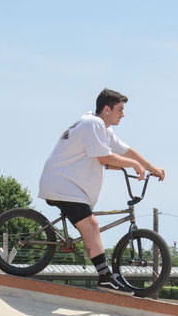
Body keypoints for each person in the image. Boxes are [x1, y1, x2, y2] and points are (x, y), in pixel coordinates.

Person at [37, 88, 165, 293]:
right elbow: (104, 158)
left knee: (90, 228)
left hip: (68, 186)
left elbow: (126, 151)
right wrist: (133, 164)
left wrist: (151, 168)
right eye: (120, 109)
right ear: (107, 109)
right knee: (92, 226)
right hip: (63, 186)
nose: (123, 114)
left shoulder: (103, 129)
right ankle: (105, 277)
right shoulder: (93, 124)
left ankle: (103, 270)